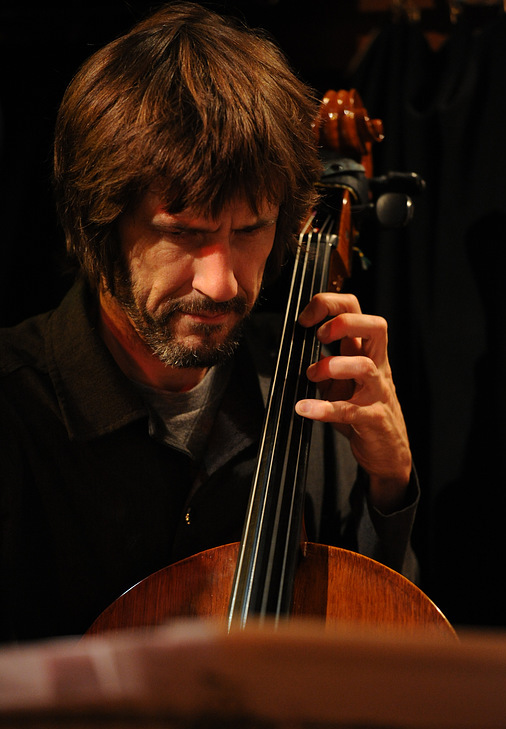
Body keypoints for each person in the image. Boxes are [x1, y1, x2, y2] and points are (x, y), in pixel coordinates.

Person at [0, 2, 418, 643]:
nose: (222, 283)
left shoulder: (314, 384)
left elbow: (381, 661)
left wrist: (389, 485)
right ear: (101, 222)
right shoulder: (17, 411)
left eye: (250, 230)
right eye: (184, 234)